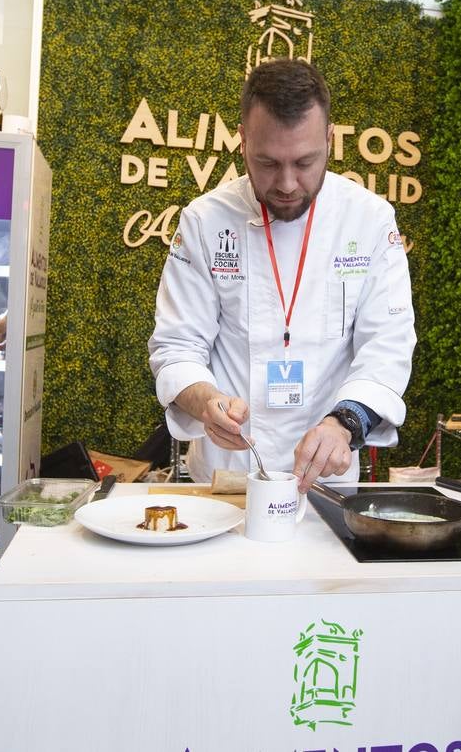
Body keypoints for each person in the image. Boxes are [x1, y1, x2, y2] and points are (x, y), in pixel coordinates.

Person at [149, 59, 415, 491]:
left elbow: (388, 344)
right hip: (227, 474)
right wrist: (205, 402)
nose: (288, 183)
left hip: (327, 476)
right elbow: (177, 345)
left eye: (305, 162)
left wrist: (345, 422)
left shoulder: (369, 219)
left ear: (329, 140)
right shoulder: (204, 221)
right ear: (242, 143)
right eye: (268, 162)